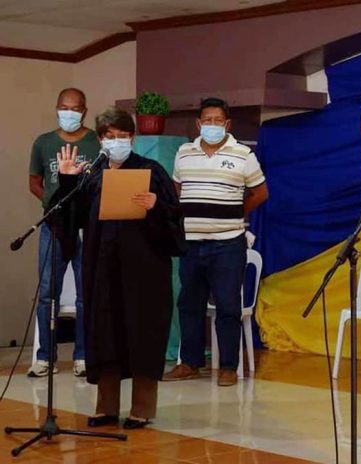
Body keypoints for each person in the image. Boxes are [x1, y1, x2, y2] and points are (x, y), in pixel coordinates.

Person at [53, 107, 186, 429]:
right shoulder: (93, 177)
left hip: (145, 270)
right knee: (105, 333)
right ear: (100, 140)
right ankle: (106, 407)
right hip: (103, 269)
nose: (117, 142)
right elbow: (68, 221)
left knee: (143, 333)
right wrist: (68, 178)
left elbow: (175, 223)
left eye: (123, 137)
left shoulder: (152, 171)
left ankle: (142, 408)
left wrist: (157, 207)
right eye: (110, 137)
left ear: (133, 138)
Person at [163, 97, 268, 387]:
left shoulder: (243, 154)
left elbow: (260, 193)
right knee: (189, 305)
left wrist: (236, 212)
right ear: (198, 124)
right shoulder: (184, 153)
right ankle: (190, 363)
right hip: (191, 243)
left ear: (227, 124)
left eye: (217, 121)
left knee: (228, 306)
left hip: (227, 244)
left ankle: (228, 367)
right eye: (206, 120)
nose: (211, 125)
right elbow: (177, 189)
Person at [28, 88, 100, 378]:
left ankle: (83, 356)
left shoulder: (96, 142)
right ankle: (46, 357)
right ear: (57, 108)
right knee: (47, 293)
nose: (68, 113)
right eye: (63, 107)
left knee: (87, 294)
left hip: (86, 227)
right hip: (54, 226)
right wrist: (50, 203)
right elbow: (34, 181)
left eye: (74, 108)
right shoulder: (43, 143)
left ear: (84, 110)